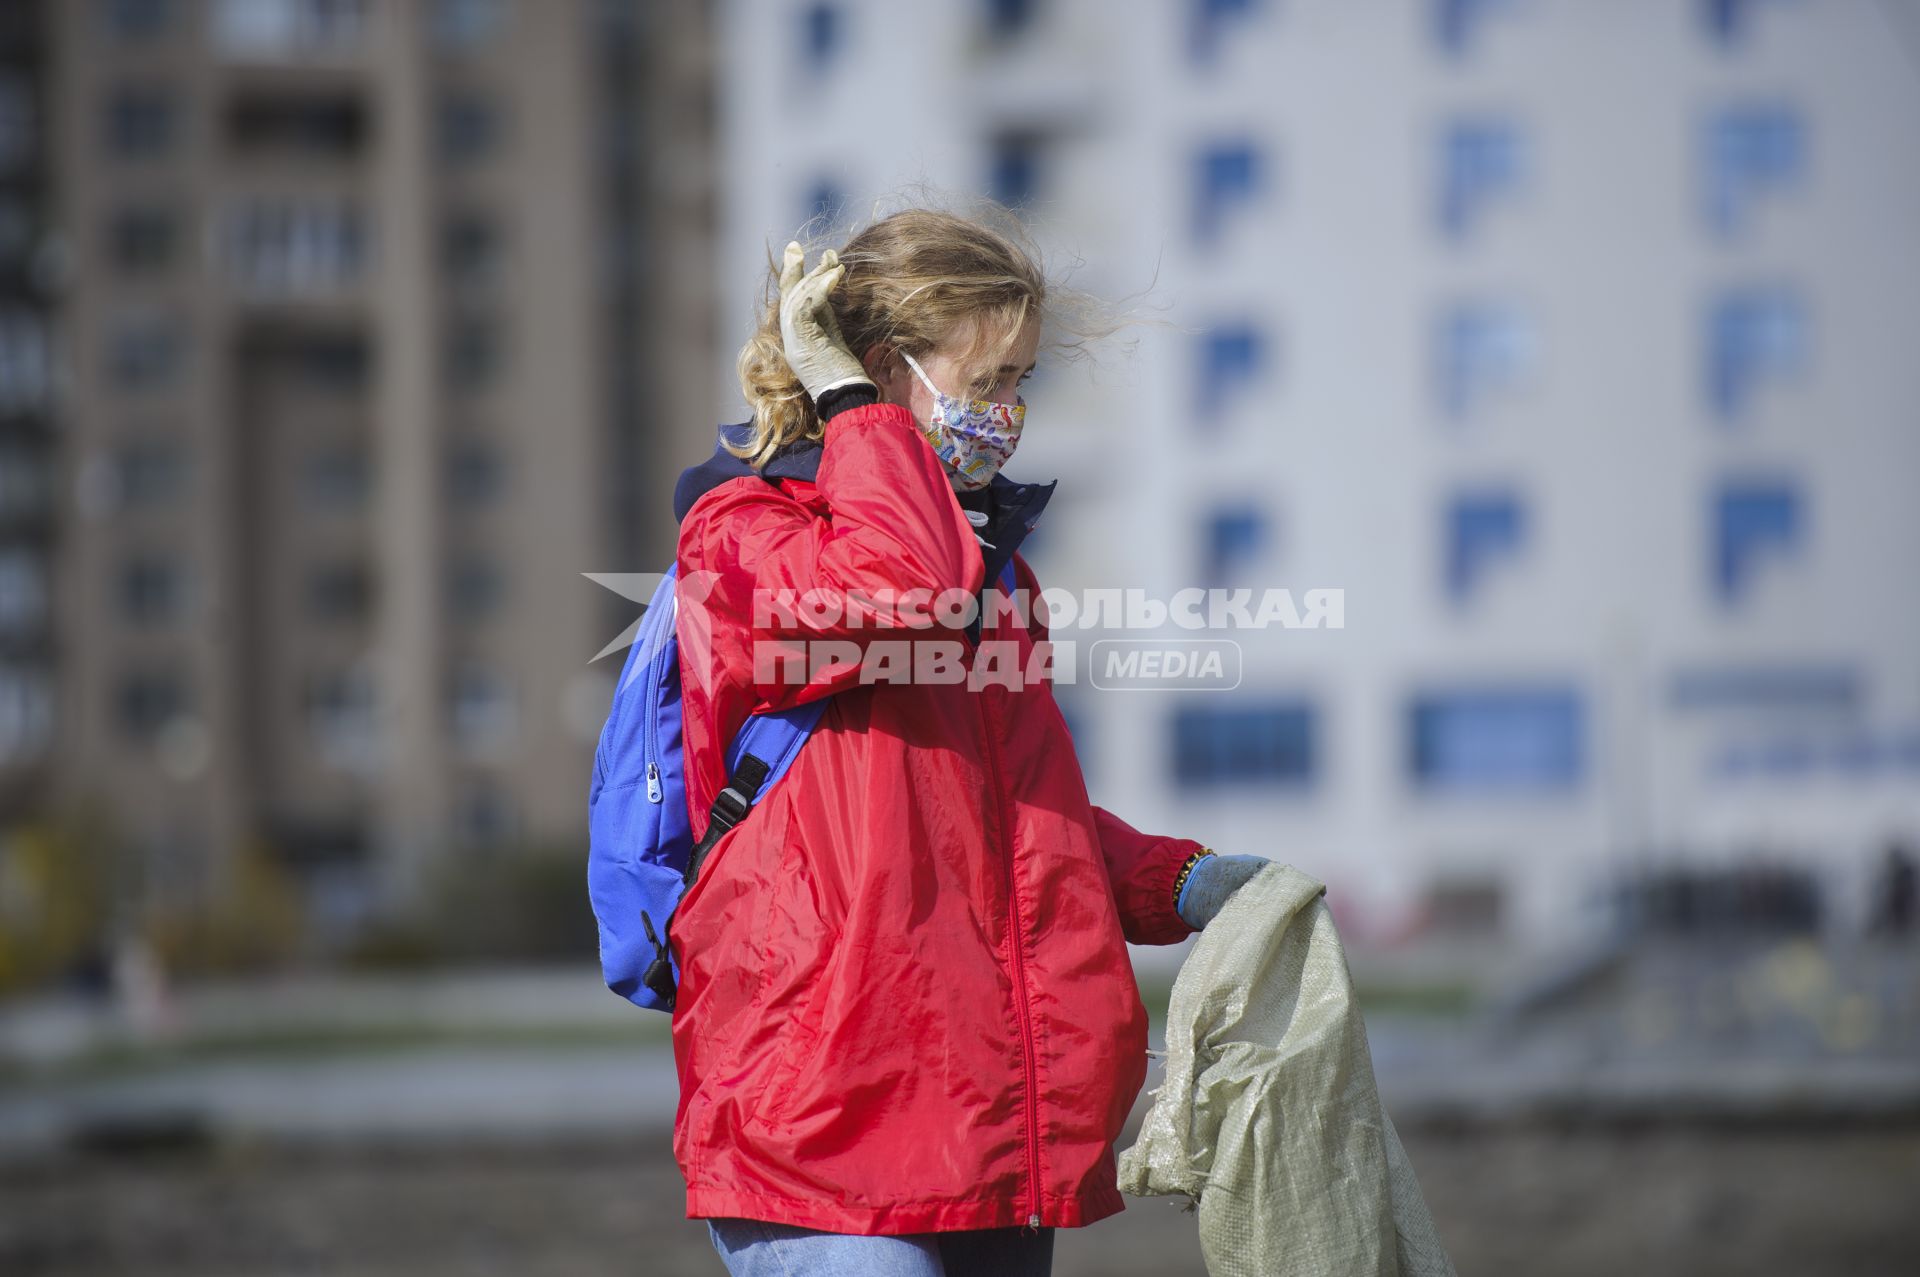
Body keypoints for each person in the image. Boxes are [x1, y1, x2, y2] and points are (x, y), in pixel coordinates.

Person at [667, 207, 1268, 1277]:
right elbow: (897, 592)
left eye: (1021, 380)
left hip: (988, 1120)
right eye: (987, 380)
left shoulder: (992, 576)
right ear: (887, 369)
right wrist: (853, 408)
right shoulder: (747, 533)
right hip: (820, 1118)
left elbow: (1008, 815)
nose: (1008, 412)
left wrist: (1181, 880)